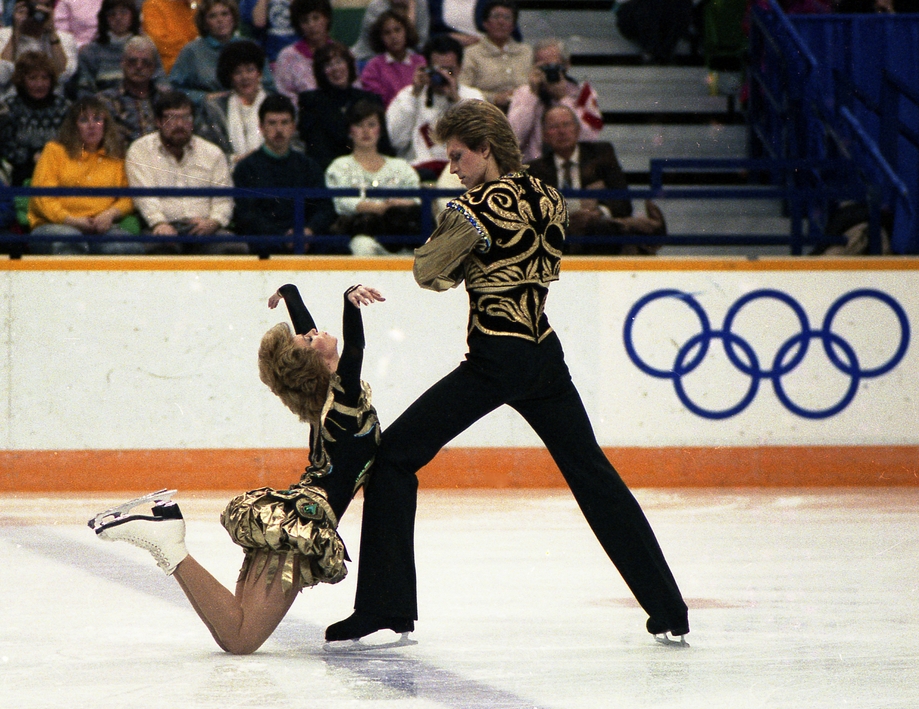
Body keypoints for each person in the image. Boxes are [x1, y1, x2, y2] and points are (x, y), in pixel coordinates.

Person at [324, 99, 690, 647]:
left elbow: (426, 271)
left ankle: (386, 605)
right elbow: (544, 265)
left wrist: (462, 260)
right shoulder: (549, 196)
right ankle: (668, 608)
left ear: (485, 150)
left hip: (495, 357)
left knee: (394, 458)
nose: (452, 168)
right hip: (543, 353)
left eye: (457, 156)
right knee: (594, 477)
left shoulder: (472, 209)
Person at [89, 282, 387, 655]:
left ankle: (166, 535)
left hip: (293, 519)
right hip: (303, 523)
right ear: (315, 363)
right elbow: (355, 349)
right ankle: (166, 537)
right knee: (240, 638)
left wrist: (291, 292)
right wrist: (349, 302)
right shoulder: (343, 400)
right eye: (309, 340)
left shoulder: (323, 402)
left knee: (236, 633)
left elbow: (307, 337)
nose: (313, 333)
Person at [527, 104, 664, 255]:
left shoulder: (602, 154)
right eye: (554, 127)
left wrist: (598, 212)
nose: (562, 131)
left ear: (578, 130)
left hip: (596, 230)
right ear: (545, 136)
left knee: (599, 227)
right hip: (560, 234)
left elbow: (623, 203)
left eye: (566, 124)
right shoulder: (535, 169)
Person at [125, 90, 246, 254]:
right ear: (158, 122)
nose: (180, 124)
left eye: (186, 117)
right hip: (162, 227)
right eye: (172, 118)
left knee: (234, 247)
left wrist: (214, 222)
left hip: (205, 228)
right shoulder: (140, 150)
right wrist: (159, 223)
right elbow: (144, 196)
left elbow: (224, 199)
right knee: (158, 248)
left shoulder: (212, 152)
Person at [27, 96, 143, 255]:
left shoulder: (116, 155)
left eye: (97, 119)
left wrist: (110, 214)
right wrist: (70, 220)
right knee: (70, 240)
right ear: (73, 127)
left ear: (106, 125)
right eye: (83, 120)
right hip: (55, 225)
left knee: (126, 247)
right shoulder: (54, 150)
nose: (91, 126)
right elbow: (42, 197)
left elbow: (128, 197)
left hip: (100, 228)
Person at [232, 93, 336, 254]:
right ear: (261, 127)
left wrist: (308, 231)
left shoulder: (309, 166)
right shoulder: (246, 168)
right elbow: (246, 215)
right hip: (266, 242)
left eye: (284, 122)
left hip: (306, 238)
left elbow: (325, 208)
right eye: (272, 123)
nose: (279, 129)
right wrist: (281, 237)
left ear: (293, 127)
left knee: (337, 248)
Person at [325, 99, 420, 255]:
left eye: (371, 125)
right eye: (359, 125)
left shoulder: (401, 167)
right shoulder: (338, 166)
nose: (365, 131)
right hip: (360, 234)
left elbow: (417, 199)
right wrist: (378, 208)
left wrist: (398, 204)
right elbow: (341, 202)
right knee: (363, 247)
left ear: (380, 129)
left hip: (400, 235)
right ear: (350, 131)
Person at [385, 34, 483, 180]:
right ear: (427, 67)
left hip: (459, 176)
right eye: (438, 69)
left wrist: (455, 100)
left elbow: (478, 144)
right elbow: (395, 141)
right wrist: (414, 96)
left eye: (449, 70)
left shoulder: (472, 96)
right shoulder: (408, 95)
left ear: (460, 67)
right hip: (418, 174)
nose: (443, 75)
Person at [296, 41, 391, 172]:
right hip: (329, 174)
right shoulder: (311, 102)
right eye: (328, 65)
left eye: (340, 62)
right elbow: (316, 150)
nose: (336, 68)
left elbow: (384, 146)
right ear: (321, 72)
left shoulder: (371, 100)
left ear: (349, 65)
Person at [507, 38, 603, 162]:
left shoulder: (584, 94)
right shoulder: (523, 93)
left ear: (566, 65)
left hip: (572, 165)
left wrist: (563, 99)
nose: (549, 72)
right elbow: (513, 139)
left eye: (554, 66)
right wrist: (532, 96)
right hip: (533, 166)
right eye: (543, 67)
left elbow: (590, 136)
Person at [169, 0, 273, 107]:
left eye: (225, 14)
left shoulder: (250, 47)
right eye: (212, 16)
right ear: (204, 23)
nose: (220, 20)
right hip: (209, 110)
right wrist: (203, 97)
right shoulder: (191, 51)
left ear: (233, 18)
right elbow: (174, 89)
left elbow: (269, 86)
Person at [0, 51, 71, 187]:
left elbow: (71, 142)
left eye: (45, 78)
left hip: (59, 171)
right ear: (22, 80)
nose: (40, 84)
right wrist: (31, 157)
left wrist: (49, 157)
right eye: (33, 78)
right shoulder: (9, 108)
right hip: (19, 172)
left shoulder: (64, 107)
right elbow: (6, 146)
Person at [73, 0, 166, 98]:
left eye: (124, 12)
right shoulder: (90, 52)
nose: (118, 18)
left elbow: (161, 81)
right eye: (112, 14)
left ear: (133, 16)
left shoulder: (147, 47)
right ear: (104, 19)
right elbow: (84, 90)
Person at [196, 39, 269, 162]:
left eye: (250, 70)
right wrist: (236, 160)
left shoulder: (276, 104)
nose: (244, 77)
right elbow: (204, 151)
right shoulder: (214, 108)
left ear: (259, 73)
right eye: (237, 72)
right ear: (229, 77)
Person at [458, 0, 531, 112]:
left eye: (507, 18)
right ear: (485, 23)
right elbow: (463, 88)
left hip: (524, 108)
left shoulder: (526, 51)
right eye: (496, 16)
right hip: (485, 110)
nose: (501, 22)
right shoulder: (471, 53)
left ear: (513, 26)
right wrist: (494, 98)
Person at [97, 35, 171, 143]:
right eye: (132, 61)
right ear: (122, 63)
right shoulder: (106, 100)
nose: (139, 67)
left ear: (153, 67)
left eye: (145, 62)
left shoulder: (166, 98)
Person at [0, 0, 78, 95]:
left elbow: (63, 77)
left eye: (46, 6)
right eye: (34, 5)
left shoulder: (65, 39)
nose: (40, 10)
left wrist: (52, 33)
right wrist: (16, 32)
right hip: (11, 100)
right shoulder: (3, 36)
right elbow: (2, 76)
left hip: (53, 102)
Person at [358, 9, 425, 109]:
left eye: (397, 30)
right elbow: (377, 104)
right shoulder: (373, 67)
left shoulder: (420, 61)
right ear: (380, 37)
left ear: (406, 32)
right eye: (387, 33)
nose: (393, 36)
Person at [272, 0, 334, 107]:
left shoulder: (341, 53)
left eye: (316, 18)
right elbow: (284, 96)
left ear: (327, 18)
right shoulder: (287, 56)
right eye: (305, 21)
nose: (311, 25)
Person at [351, 0, 429, 64]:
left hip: (407, 58)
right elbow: (384, 43)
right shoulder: (376, 6)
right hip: (369, 57)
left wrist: (412, 6)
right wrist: (411, 11)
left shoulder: (420, 3)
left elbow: (421, 41)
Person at [140, 0, 198, 74]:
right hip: (171, 68)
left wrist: (194, 7)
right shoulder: (153, 4)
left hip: (200, 62)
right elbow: (161, 44)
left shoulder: (195, 4)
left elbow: (204, 33)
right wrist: (192, 48)